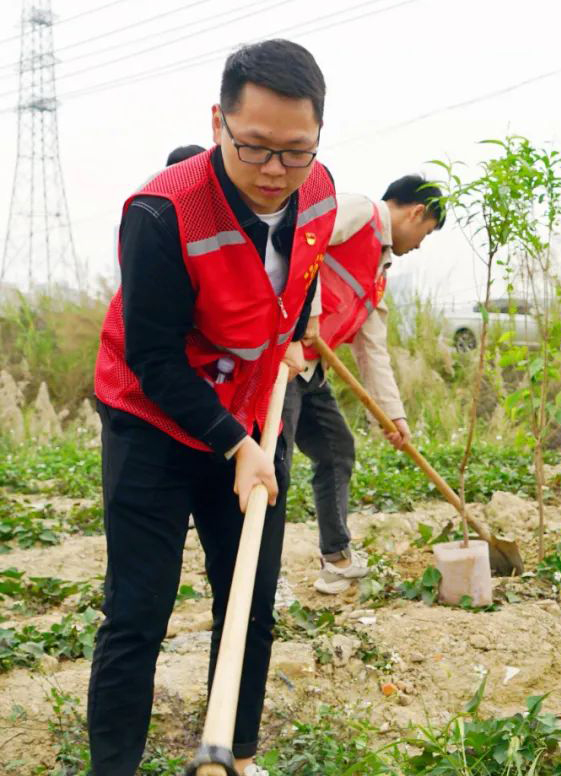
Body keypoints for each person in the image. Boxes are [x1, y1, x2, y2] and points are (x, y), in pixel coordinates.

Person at [89, 40, 334, 776]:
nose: (274, 173)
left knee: (251, 596)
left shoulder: (317, 190)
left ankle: (236, 753)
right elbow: (153, 359)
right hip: (153, 421)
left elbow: (305, 268)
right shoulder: (162, 213)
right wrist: (235, 445)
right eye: (254, 147)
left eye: (295, 152)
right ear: (219, 122)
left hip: (254, 411)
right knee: (138, 609)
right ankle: (115, 767)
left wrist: (296, 336)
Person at [283, 175, 444, 594]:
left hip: (310, 371)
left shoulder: (378, 276)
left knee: (336, 450)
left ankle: (336, 560)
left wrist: (393, 415)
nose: (419, 246)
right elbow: (304, 239)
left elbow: (373, 354)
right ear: (416, 212)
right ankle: (256, 577)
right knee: (272, 469)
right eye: (424, 235)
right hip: (279, 360)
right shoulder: (360, 211)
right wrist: (309, 316)